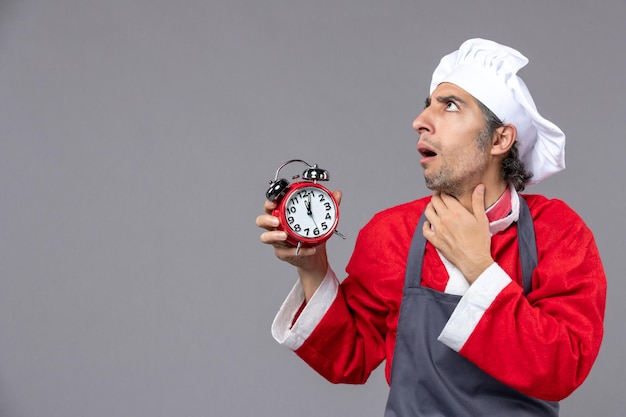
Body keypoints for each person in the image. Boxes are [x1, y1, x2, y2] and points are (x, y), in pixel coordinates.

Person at [256, 38, 606, 416]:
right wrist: (313, 265)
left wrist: (478, 266)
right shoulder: (393, 232)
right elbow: (350, 356)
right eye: (427, 107)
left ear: (500, 139)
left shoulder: (558, 232)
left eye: (450, 107)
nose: (420, 122)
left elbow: (562, 367)